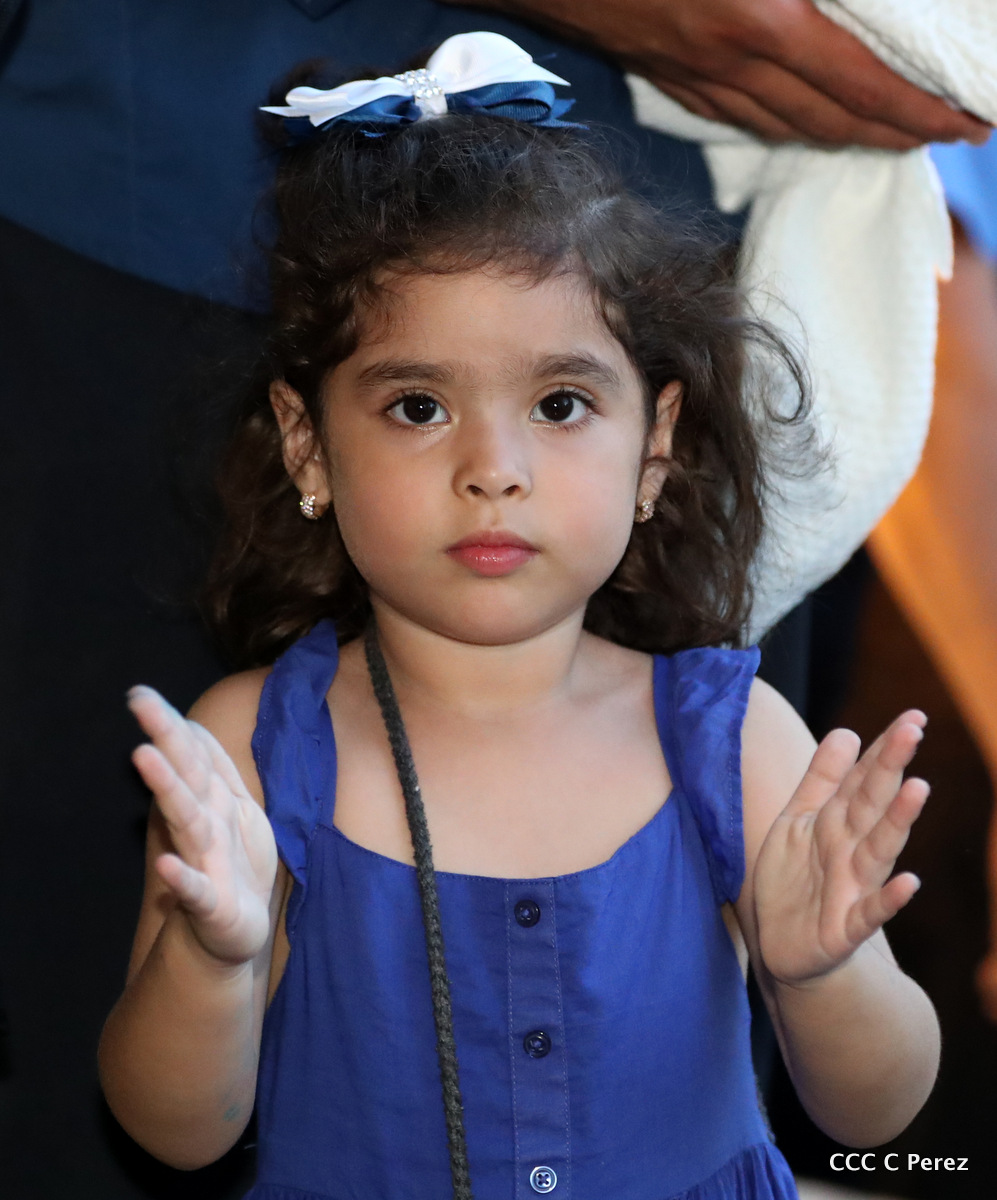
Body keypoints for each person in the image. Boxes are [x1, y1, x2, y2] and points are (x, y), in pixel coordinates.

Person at [97, 35, 939, 1200]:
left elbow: (878, 1113)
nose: (492, 468)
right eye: (417, 406)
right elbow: (173, 1134)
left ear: (653, 447)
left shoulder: (733, 742)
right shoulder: (248, 751)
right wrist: (211, 962)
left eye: (559, 403)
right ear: (308, 444)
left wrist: (822, 975)